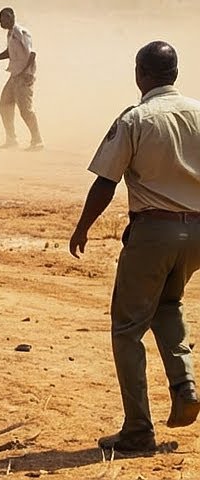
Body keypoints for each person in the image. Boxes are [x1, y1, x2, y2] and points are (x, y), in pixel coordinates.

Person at [70, 41, 200, 454]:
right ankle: (184, 386)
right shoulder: (199, 112)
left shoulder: (136, 118)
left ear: (141, 74)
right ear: (174, 72)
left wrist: (82, 228)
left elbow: (106, 181)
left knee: (127, 330)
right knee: (168, 304)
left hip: (153, 232)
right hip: (196, 233)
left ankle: (138, 429)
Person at [0, 7, 43, 150]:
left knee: (25, 110)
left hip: (24, 76)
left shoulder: (21, 32)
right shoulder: (10, 34)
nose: (2, 21)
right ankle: (11, 139)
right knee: (4, 105)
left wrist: (27, 73)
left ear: (12, 17)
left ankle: (37, 140)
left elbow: (32, 54)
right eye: (0, 19)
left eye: (5, 18)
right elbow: (10, 52)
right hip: (14, 75)